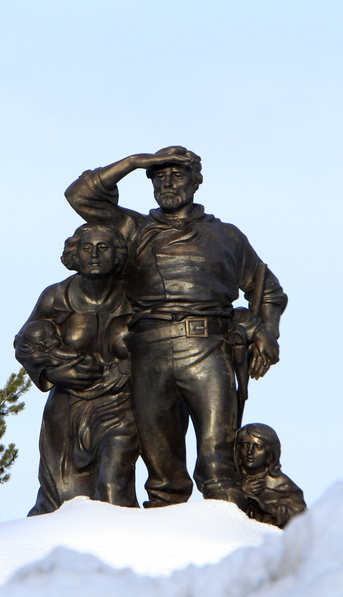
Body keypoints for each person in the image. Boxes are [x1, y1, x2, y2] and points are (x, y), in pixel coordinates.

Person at [65, 146, 287, 508]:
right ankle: (163, 545)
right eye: (159, 175)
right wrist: (137, 161)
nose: (167, 182)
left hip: (208, 352)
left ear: (196, 181)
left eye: (177, 174)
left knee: (218, 461)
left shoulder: (227, 237)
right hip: (149, 355)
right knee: (162, 471)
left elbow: (269, 291)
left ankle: (230, 536)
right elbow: (80, 195)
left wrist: (267, 333)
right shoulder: (134, 229)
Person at [14, 223, 140, 515]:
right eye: (86, 248)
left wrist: (129, 368)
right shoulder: (55, 297)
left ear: (117, 254)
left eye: (103, 247)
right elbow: (24, 344)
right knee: (60, 500)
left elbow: (158, 343)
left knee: (112, 484)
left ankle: (121, 551)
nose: (94, 255)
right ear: (75, 254)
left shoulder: (135, 297)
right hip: (66, 409)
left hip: (118, 406)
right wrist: (52, 372)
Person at [234, 423, 306, 528]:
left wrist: (268, 510)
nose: (250, 452)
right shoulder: (232, 478)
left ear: (269, 453)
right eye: (245, 446)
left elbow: (301, 518)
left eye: (258, 447)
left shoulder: (281, 484)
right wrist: (241, 492)